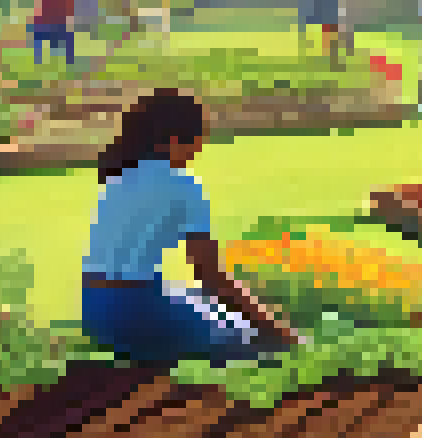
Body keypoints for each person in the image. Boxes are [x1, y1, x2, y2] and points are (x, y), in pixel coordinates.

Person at [81, 89, 301, 368]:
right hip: (137, 314)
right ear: (175, 141)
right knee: (256, 341)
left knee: (197, 299)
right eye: (199, 141)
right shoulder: (184, 185)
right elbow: (210, 276)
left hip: (95, 312)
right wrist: (280, 332)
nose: (199, 150)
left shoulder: (117, 179)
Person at [30, 0, 86, 66]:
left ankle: (38, 59)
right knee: (68, 36)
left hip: (45, 25)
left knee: (66, 36)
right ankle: (69, 61)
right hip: (49, 25)